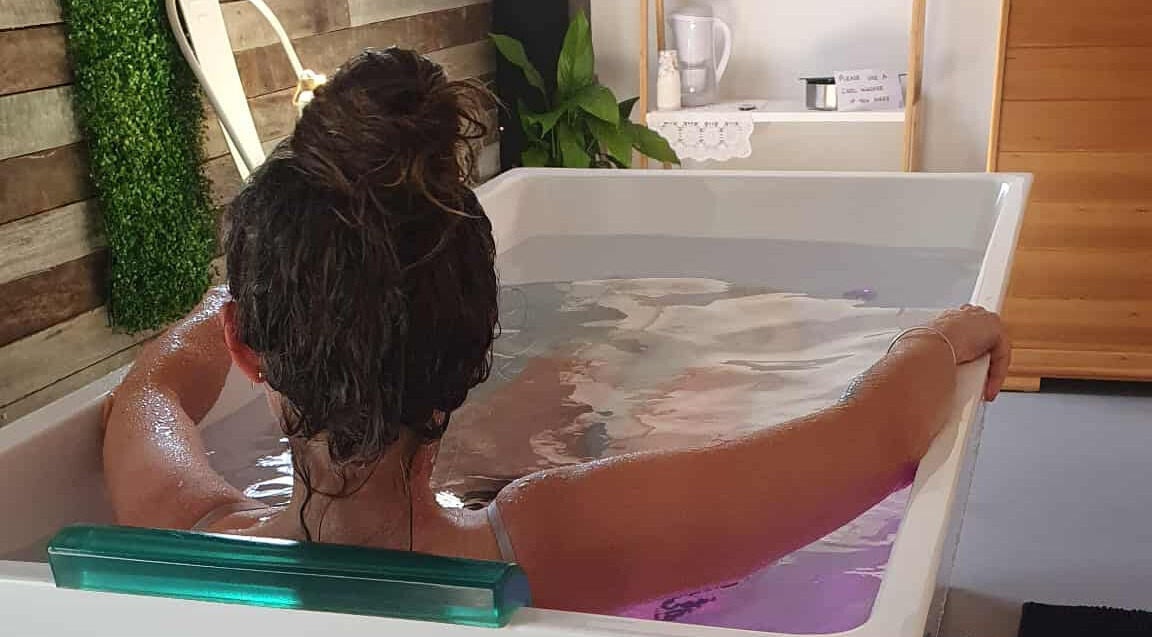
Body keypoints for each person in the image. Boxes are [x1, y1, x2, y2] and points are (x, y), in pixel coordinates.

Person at [103, 47, 1010, 614]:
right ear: (473, 341)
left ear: (248, 349)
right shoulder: (554, 541)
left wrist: (275, 288)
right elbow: (870, 435)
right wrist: (934, 338)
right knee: (582, 388)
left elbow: (150, 392)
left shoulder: (189, 528)